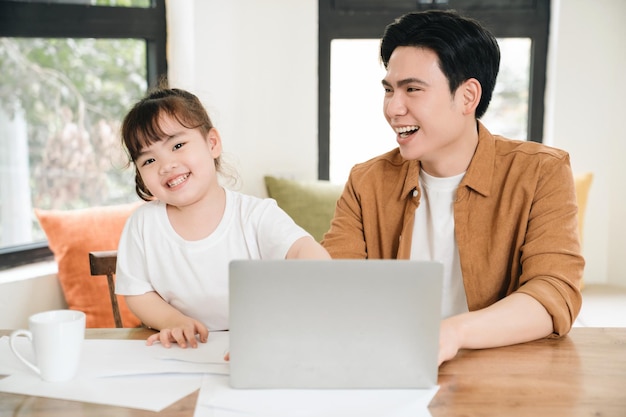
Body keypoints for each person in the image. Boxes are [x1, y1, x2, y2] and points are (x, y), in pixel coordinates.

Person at [321, 10, 583, 365]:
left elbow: (554, 293)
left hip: (500, 368)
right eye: (388, 90)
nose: (393, 108)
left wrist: (454, 333)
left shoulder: (540, 172)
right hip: (392, 363)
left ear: (467, 97)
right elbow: (330, 283)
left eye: (412, 89)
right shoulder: (366, 181)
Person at [116, 87, 330, 349]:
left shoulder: (255, 215)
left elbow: (302, 251)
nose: (166, 165)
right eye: (148, 160)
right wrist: (173, 321)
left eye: (178, 145)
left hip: (257, 342)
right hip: (185, 349)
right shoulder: (143, 225)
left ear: (212, 143)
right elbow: (137, 292)